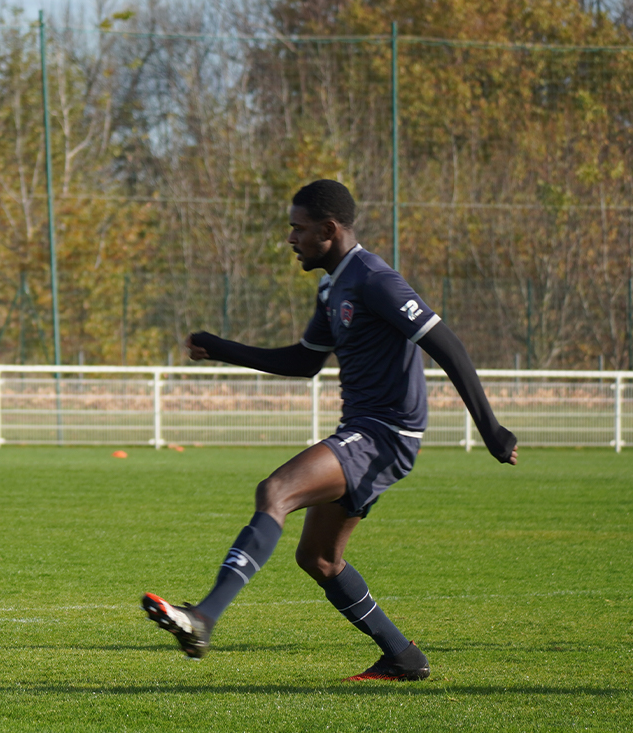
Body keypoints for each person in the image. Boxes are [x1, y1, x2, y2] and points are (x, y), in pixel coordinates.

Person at [141, 179, 517, 680]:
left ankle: (204, 618)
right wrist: (224, 349)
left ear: (329, 229)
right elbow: (305, 362)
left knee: (275, 491)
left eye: (298, 229)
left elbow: (446, 345)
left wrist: (491, 430)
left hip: (386, 434)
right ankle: (402, 657)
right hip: (366, 430)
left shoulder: (374, 279)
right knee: (318, 558)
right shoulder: (332, 285)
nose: (290, 239)